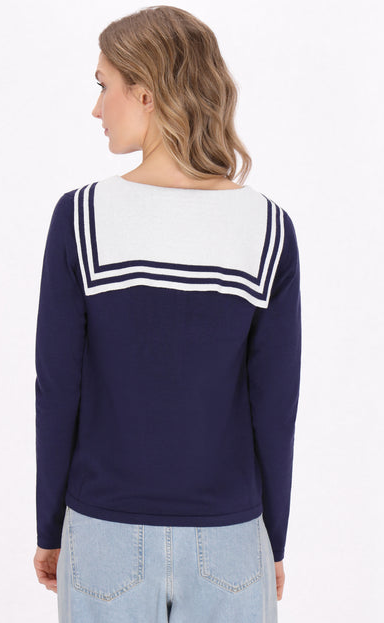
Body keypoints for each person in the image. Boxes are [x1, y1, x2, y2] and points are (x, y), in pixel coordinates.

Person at [32, 6, 302, 622]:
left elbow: (58, 389)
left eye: (103, 85)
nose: (96, 108)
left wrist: (50, 528)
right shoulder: (267, 228)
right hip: (232, 538)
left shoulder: (81, 218)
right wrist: (273, 542)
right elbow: (275, 405)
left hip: (102, 533)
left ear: (145, 92)